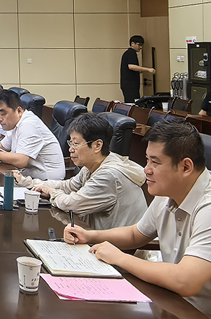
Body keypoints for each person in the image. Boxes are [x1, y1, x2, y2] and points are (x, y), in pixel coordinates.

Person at [65, 119, 211, 315]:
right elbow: (136, 234)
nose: (146, 169)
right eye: (147, 160)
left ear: (186, 167)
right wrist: (90, 236)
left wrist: (120, 258)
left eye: (155, 162)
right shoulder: (169, 191)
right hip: (170, 303)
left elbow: (186, 281)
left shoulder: (208, 207)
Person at [17, 113, 146, 230]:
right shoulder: (92, 166)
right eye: (70, 143)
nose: (71, 149)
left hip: (117, 245)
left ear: (97, 145)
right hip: (98, 237)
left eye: (76, 144)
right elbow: (68, 186)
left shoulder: (109, 175)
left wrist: (52, 192)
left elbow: (72, 204)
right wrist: (28, 182)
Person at [0, 89, 65, 180]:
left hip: (47, 181)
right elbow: (3, 145)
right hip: (29, 175)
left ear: (19, 111)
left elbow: (21, 161)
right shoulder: (15, 122)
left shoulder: (28, 125)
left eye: (3, 114)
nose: (0, 119)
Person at [120, 35, 154, 103]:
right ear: (132, 43)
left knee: (132, 102)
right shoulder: (131, 53)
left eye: (142, 45)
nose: (141, 47)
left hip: (128, 84)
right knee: (133, 103)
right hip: (130, 85)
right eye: (139, 45)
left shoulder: (128, 53)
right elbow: (131, 66)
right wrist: (148, 69)